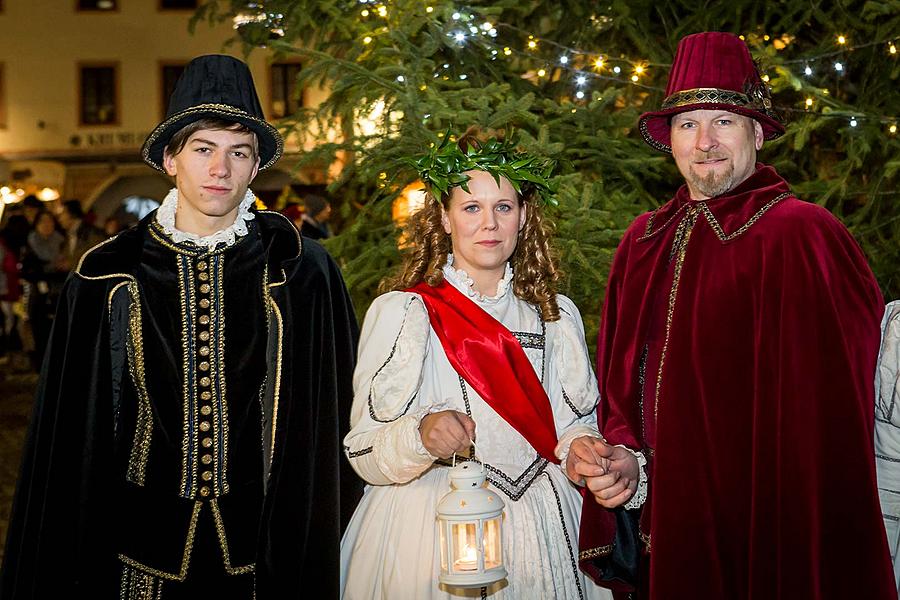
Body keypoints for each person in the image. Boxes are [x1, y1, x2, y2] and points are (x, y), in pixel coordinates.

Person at [0, 54, 361, 599]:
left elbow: (332, 422)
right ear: (170, 159)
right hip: (136, 549)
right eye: (203, 149)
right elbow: (69, 437)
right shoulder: (105, 275)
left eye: (238, 153)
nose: (220, 169)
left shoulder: (300, 270)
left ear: (256, 164)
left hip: (266, 549)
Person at [574, 32, 897, 599]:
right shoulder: (643, 240)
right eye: (687, 123)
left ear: (756, 132)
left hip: (766, 538)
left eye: (723, 121)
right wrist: (625, 458)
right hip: (666, 531)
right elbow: (619, 385)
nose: (704, 142)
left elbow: (831, 426)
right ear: (669, 139)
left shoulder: (803, 235)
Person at [340, 131, 612, 599]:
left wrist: (583, 449)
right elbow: (363, 450)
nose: (489, 223)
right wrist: (421, 435)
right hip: (435, 522)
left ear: (523, 217)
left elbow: (572, 424)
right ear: (444, 218)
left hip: (543, 525)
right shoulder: (407, 313)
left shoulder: (554, 314)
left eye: (503, 207)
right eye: (471, 208)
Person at [20, 209, 65, 369]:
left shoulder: (62, 242)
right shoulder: (31, 243)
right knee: (39, 331)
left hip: (59, 294)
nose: (47, 225)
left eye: (50, 221)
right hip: (37, 295)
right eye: (43, 222)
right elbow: (27, 271)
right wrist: (49, 270)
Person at [55, 198, 105, 272]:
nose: (60, 219)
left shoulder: (92, 233)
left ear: (71, 214)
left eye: (62, 214)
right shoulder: (68, 235)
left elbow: (99, 258)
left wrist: (71, 264)